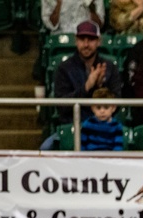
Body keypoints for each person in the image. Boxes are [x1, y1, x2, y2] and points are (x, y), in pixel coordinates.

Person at [43, 20, 122, 149]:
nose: (86, 44)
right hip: (73, 126)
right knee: (44, 149)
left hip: (104, 128)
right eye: (82, 39)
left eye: (91, 39)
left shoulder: (109, 67)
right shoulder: (64, 68)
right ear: (76, 41)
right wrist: (87, 87)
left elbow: (117, 103)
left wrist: (99, 87)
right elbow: (62, 106)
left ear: (98, 41)